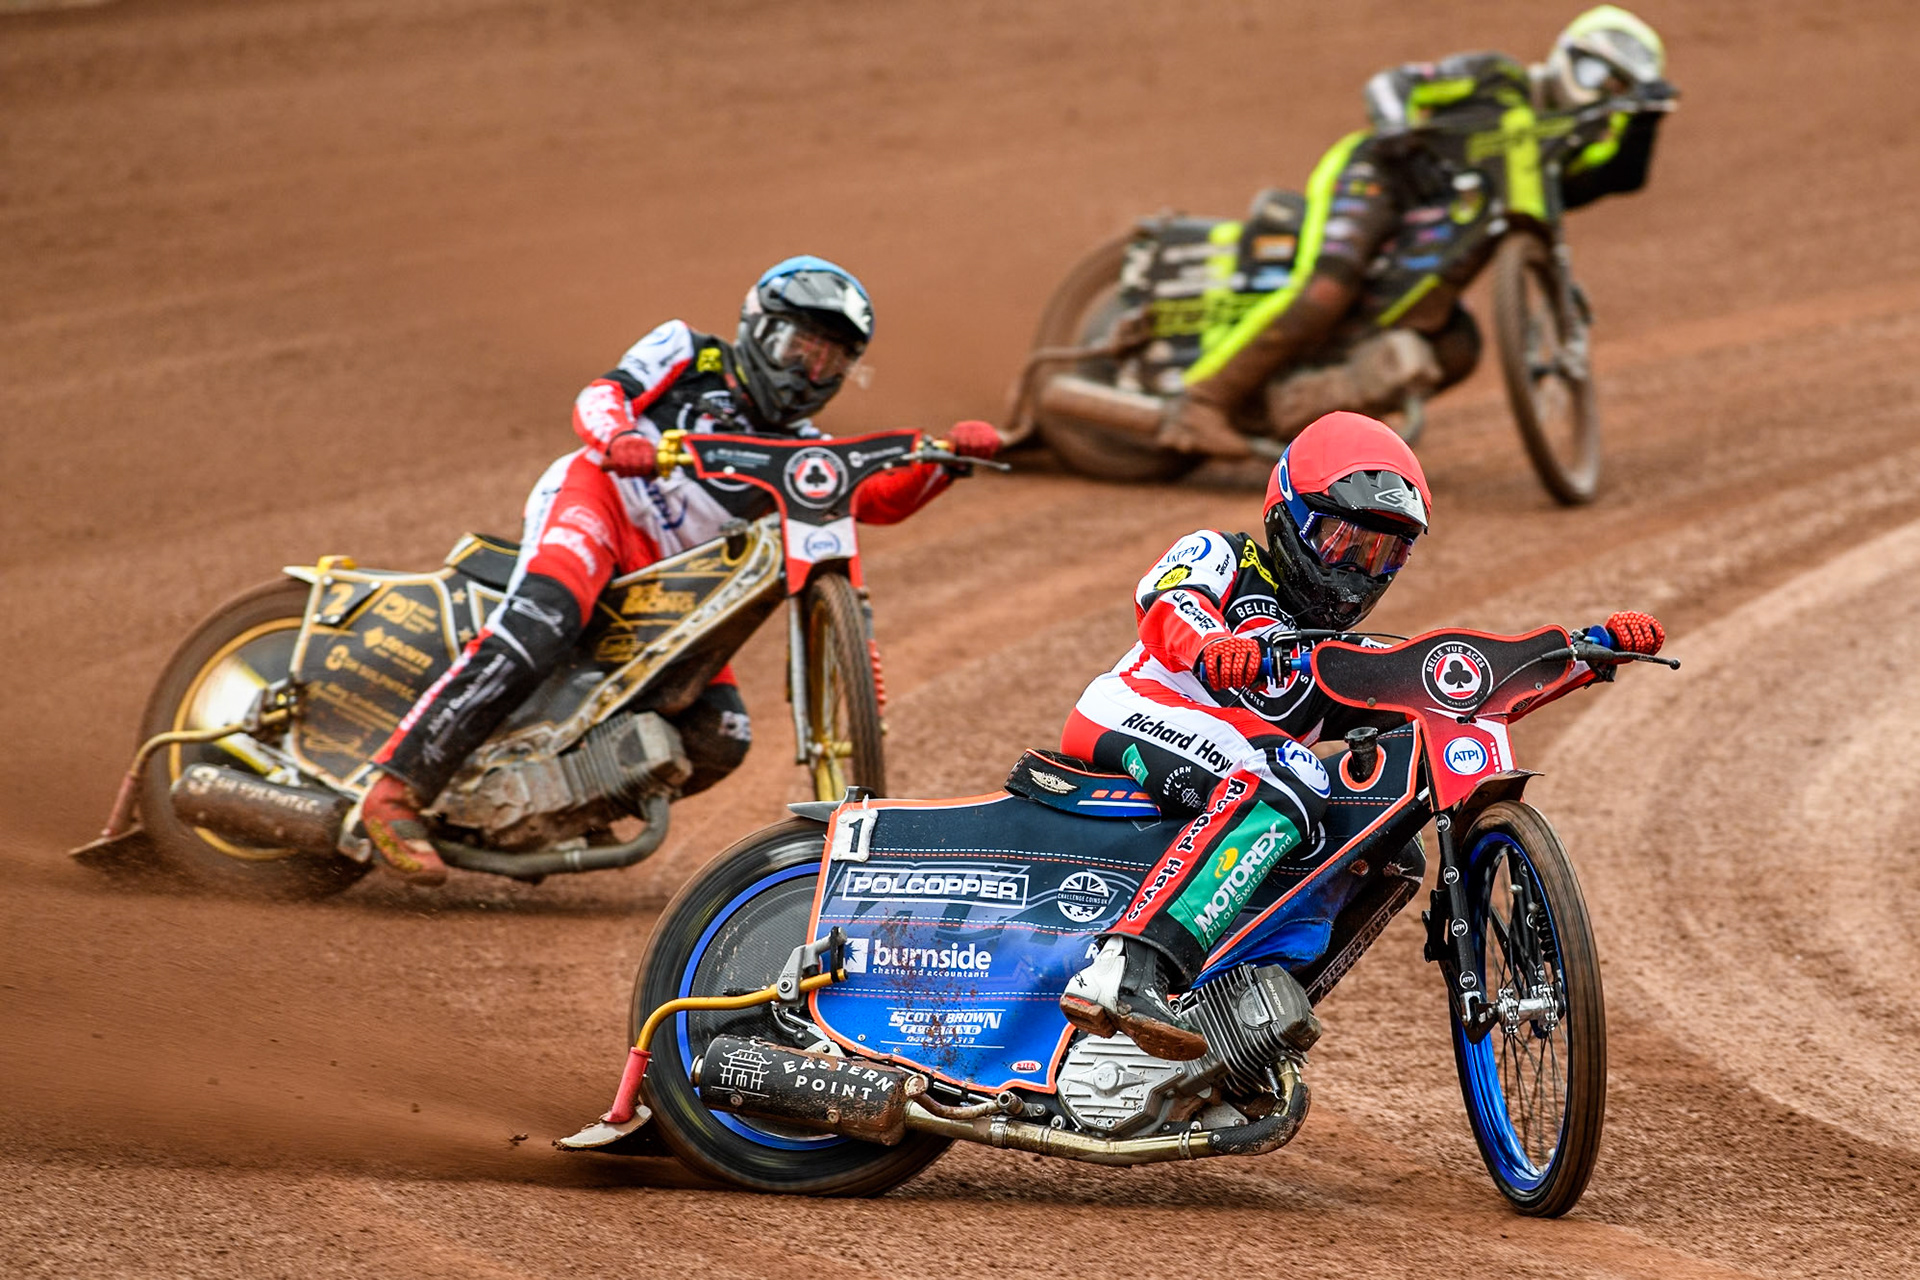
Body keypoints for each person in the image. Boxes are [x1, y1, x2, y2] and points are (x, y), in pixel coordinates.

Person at [360, 256, 1003, 885]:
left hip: (671, 588)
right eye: (798, 346)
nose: (808, 371)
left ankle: (550, 804)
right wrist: (617, 440)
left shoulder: (808, 450)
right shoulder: (687, 351)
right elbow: (604, 393)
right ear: (757, 326)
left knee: (720, 736)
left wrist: (947, 461)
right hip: (604, 504)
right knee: (543, 621)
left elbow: (876, 499)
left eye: (829, 359)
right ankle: (393, 793)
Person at [1058, 410, 1663, 1058]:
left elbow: (1464, 691)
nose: (1357, 571)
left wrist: (1588, 654)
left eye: (1381, 555)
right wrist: (1213, 646)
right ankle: (1128, 966)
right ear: (1287, 515)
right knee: (1290, 773)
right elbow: (1169, 602)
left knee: (1388, 843)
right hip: (1131, 709)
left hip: (1231, 764)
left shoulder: (1342, 659)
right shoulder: (1221, 554)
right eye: (1344, 543)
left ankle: (1240, 1021)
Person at [1165, 5, 1675, 457]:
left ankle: (1299, 420)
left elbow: (1618, 175)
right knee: (1327, 289)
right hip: (1380, 177)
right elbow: (1395, 83)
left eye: (1616, 88)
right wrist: (1395, 131)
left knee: (1457, 347)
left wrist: (1646, 120)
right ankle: (1200, 402)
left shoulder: (1554, 160)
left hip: (1420, 267)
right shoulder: (1497, 78)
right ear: (1565, 54)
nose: (1598, 90)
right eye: (1592, 70)